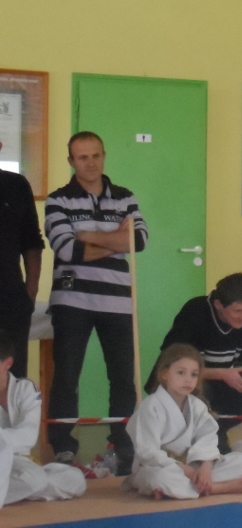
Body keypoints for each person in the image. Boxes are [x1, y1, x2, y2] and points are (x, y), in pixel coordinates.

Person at [45, 131, 148, 474]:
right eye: (82, 157)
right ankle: (63, 448)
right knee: (66, 377)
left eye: (96, 155)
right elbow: (66, 249)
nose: (90, 163)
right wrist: (116, 239)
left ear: (104, 156)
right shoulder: (58, 200)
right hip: (71, 300)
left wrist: (88, 235)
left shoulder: (124, 197)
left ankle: (123, 446)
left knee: (123, 379)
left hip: (117, 302)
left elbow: (139, 241)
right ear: (71, 161)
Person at [150, 273, 242, 454]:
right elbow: (175, 368)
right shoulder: (195, 312)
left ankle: (217, 432)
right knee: (201, 392)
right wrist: (223, 374)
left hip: (219, 384)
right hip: (186, 383)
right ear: (218, 305)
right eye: (237, 311)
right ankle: (203, 442)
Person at [124, 343, 242, 500]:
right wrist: (187, 471)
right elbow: (148, 452)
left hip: (193, 466)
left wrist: (205, 468)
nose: (188, 380)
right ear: (165, 373)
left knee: (241, 461)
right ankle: (216, 488)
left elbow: (207, 440)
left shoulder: (197, 406)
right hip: (160, 467)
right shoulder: (150, 406)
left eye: (194, 374)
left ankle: (188, 488)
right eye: (181, 373)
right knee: (159, 478)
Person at [0, 331, 86, 507]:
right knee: (34, 479)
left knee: (74, 479)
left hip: (17, 462)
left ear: (8, 363)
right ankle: (20, 490)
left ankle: (16, 491)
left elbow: (28, 436)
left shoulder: (25, 389)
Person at [0, 141, 44, 379]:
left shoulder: (16, 185)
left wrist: (31, 292)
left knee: (13, 378)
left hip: (10, 300)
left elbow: (32, 242)